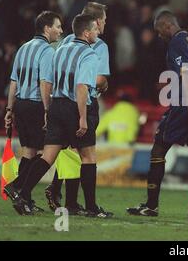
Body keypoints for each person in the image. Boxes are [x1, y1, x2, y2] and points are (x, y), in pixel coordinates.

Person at [7, 14, 113, 218]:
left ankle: (20, 191)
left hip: (57, 105)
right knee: (88, 157)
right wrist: (82, 117)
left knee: (48, 155)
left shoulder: (60, 49)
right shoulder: (89, 54)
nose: (98, 33)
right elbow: (82, 87)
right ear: (86, 32)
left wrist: (49, 110)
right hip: (74, 107)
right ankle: (91, 207)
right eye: (95, 30)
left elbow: (50, 80)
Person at [126, 11, 188, 217]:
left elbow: (185, 73)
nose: (159, 35)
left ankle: (151, 206)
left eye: (159, 31)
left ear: (167, 25)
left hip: (184, 105)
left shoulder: (176, 43)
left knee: (158, 150)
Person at [44, 2, 110, 215]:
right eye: (104, 21)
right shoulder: (97, 45)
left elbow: (53, 72)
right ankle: (76, 201)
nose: (104, 25)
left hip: (59, 101)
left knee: (66, 151)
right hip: (83, 103)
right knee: (84, 154)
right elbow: (96, 79)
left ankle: (60, 195)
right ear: (96, 23)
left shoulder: (65, 42)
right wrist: (102, 83)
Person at [3, 11, 63, 213]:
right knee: (46, 153)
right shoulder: (47, 51)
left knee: (29, 151)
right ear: (47, 28)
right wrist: (47, 109)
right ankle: (18, 188)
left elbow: (13, 81)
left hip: (20, 103)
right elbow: (45, 83)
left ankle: (23, 199)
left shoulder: (23, 48)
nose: (60, 31)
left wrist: (10, 109)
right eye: (57, 26)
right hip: (36, 104)